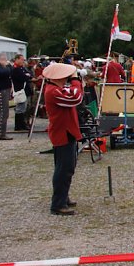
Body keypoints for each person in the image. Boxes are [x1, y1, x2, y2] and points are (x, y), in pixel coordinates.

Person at [43, 62, 83, 216]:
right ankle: (58, 203)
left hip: (66, 131)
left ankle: (63, 197)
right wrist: (76, 81)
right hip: (63, 132)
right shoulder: (53, 91)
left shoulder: (56, 89)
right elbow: (76, 98)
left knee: (67, 167)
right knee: (63, 169)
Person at [11, 54, 32, 131]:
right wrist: (27, 76)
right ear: (17, 59)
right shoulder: (15, 69)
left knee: (23, 108)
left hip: (24, 90)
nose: (23, 61)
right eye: (22, 59)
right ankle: (19, 125)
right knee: (20, 108)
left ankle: (22, 124)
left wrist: (27, 75)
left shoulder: (21, 68)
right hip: (20, 89)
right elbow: (24, 77)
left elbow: (29, 74)